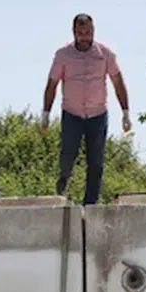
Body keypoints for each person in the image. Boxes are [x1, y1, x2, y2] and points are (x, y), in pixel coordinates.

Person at [41, 13, 130, 205]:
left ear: (93, 31)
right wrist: (46, 113)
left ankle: (90, 204)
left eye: (88, 32)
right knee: (68, 153)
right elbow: (52, 84)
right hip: (72, 113)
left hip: (98, 114)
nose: (84, 37)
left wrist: (125, 112)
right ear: (74, 32)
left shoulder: (106, 54)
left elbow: (118, 82)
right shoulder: (62, 55)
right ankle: (63, 182)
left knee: (96, 162)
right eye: (80, 33)